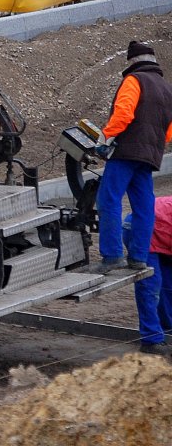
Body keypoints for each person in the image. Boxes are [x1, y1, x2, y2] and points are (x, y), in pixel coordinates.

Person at [94, 41, 172, 275]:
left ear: (132, 62)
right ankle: (138, 256)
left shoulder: (134, 81)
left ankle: (112, 256)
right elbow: (169, 131)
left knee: (108, 199)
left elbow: (124, 114)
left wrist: (105, 137)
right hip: (150, 156)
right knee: (144, 205)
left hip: (126, 152)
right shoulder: (167, 88)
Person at [124, 196, 172, 355]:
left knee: (168, 286)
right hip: (140, 231)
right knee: (150, 288)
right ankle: (151, 340)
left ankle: (168, 329)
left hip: (162, 235)